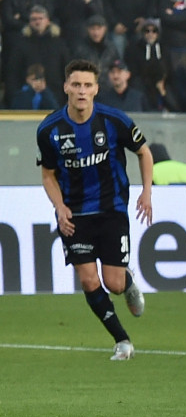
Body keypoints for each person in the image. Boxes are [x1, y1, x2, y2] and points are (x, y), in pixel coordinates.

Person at [35, 59, 152, 362]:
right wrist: (59, 207)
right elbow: (48, 174)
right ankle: (122, 341)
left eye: (88, 85)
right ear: (66, 87)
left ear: (97, 89)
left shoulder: (114, 121)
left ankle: (127, 282)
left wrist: (147, 193)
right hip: (74, 214)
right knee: (88, 280)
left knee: (113, 283)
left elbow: (144, 152)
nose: (82, 91)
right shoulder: (50, 129)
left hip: (111, 210)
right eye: (76, 85)